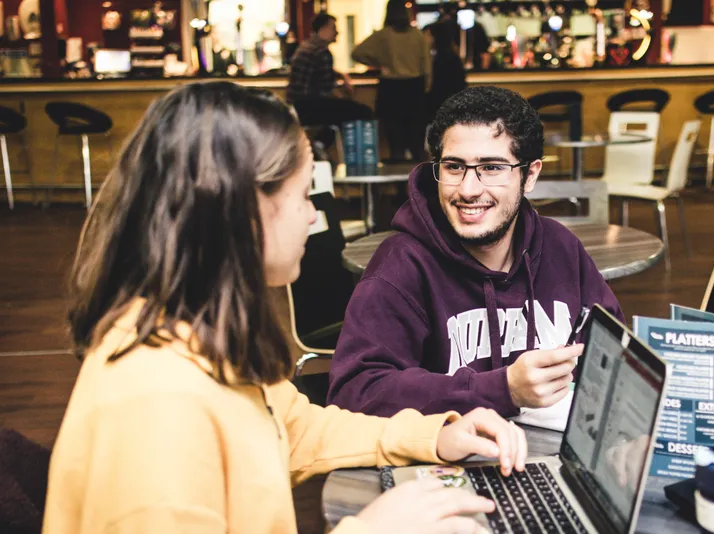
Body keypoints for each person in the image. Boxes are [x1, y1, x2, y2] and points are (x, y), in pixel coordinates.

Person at [42, 81, 528, 533]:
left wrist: (435, 437)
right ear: (243, 212)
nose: (314, 216)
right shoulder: (157, 405)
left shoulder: (195, 327)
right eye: (301, 196)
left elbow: (296, 429)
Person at [328, 86, 624, 418]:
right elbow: (353, 395)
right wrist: (503, 389)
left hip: (549, 459)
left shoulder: (560, 248)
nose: (469, 190)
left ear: (530, 175)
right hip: (447, 464)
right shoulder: (401, 265)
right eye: (454, 167)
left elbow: (612, 360)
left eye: (493, 167)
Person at [351, 0, 431, 161]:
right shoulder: (418, 36)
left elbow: (357, 53)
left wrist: (378, 63)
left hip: (391, 88)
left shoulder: (384, 35)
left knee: (395, 142)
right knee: (416, 141)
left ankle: (397, 180)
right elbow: (427, 67)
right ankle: (419, 181)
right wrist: (426, 88)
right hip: (414, 88)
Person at [287, 12, 372, 146]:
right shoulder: (322, 52)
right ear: (322, 29)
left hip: (296, 106)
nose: (337, 32)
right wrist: (343, 95)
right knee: (362, 112)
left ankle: (320, 144)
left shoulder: (306, 47)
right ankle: (328, 146)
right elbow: (326, 90)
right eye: (333, 28)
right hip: (310, 107)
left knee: (340, 112)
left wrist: (342, 75)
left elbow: (317, 72)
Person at [425, 21, 467, 124]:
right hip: (453, 108)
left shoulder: (439, 59)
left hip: (441, 108)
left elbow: (437, 88)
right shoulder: (452, 57)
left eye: (429, 35)